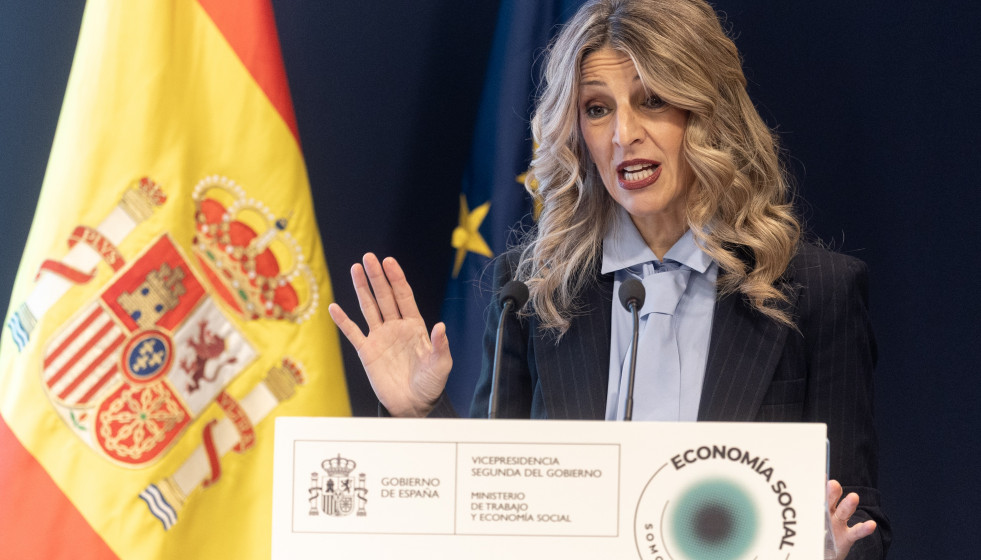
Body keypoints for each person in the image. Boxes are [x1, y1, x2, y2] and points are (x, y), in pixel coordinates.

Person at [327, 0, 889, 557]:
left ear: (707, 113)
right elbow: (485, 502)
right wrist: (417, 412)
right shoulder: (531, 293)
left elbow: (857, 520)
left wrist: (834, 549)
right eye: (596, 109)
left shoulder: (813, 291)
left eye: (652, 100)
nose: (624, 133)